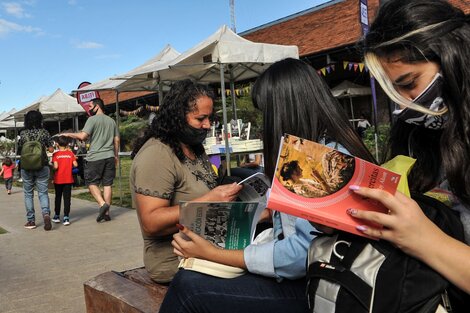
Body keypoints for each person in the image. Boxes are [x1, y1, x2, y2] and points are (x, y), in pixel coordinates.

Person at [159, 58, 376, 312]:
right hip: (319, 279)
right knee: (194, 282)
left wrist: (211, 253)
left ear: (284, 110)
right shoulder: (326, 150)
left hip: (320, 289)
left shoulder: (323, 161)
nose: (265, 124)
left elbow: (298, 257)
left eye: (266, 113)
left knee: (189, 288)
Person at [346, 0, 470, 296]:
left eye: (409, 83)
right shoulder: (423, 138)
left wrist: (425, 240)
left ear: (453, 56)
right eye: (394, 92)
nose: (402, 105)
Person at [130, 79, 242, 284]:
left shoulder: (193, 147)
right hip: (174, 259)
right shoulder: (157, 154)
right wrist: (209, 200)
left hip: (207, 248)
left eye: (209, 118)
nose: (207, 125)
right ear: (178, 117)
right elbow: (151, 223)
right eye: (200, 119)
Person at [62, 98, 120, 223]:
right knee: (107, 184)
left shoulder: (92, 120)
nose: (88, 109)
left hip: (95, 157)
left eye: (90, 106)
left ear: (97, 106)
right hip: (109, 156)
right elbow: (116, 140)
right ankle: (107, 213)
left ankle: (102, 204)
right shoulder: (111, 121)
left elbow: (83, 136)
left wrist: (68, 135)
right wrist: (116, 156)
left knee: (91, 183)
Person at [18, 110, 54, 230]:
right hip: (42, 165)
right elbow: (51, 149)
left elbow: (19, 149)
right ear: (40, 120)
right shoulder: (44, 132)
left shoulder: (23, 133)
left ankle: (31, 221)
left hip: (26, 167)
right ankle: (46, 214)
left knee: (28, 194)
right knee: (43, 193)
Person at [51, 135, 78, 226]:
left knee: (58, 198)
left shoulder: (55, 155)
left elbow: (56, 167)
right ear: (67, 144)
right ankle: (66, 217)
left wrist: (52, 167)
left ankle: (57, 216)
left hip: (58, 179)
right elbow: (75, 164)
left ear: (57, 144)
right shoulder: (70, 154)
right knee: (67, 198)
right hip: (68, 179)